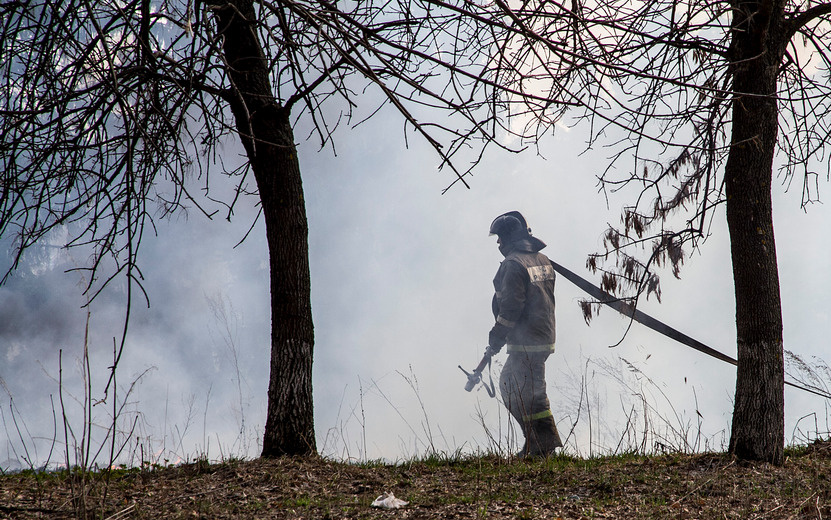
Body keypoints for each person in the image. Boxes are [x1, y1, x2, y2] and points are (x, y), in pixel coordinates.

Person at [485, 211, 563, 458]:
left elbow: (511, 307)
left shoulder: (513, 264)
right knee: (519, 387)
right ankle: (537, 444)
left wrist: (497, 336)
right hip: (542, 335)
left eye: (500, 238)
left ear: (510, 238)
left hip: (527, 340)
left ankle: (542, 446)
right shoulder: (540, 259)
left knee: (522, 390)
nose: (498, 243)